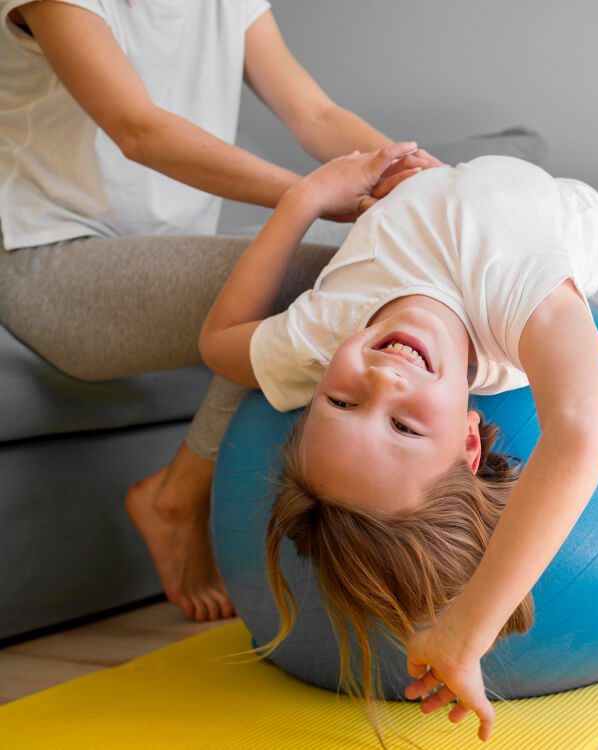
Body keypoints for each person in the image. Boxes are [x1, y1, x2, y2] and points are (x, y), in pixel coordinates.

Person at [199, 151, 598, 742]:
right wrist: (468, 630)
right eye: (404, 427)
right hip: (591, 252)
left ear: (316, 384)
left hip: (487, 204)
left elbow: (218, 346)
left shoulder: (322, 332)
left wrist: (304, 201)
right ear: (471, 440)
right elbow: (578, 431)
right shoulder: (508, 280)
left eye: (339, 403)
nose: (380, 380)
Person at [0, 0, 440, 623]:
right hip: (50, 264)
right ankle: (177, 496)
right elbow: (138, 130)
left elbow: (314, 113)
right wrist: (311, 195)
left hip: (153, 260)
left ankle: (176, 491)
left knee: (357, 276)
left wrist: (428, 181)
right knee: (324, 282)